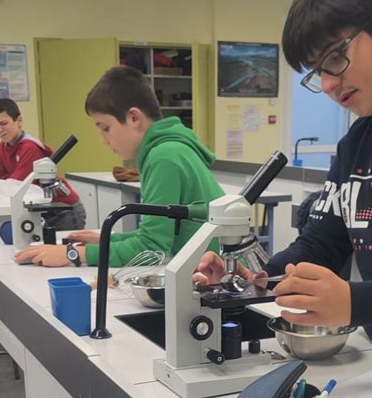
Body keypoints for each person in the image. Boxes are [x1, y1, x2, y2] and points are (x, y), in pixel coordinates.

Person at [195, 0, 372, 364]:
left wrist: (358, 302)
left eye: (335, 57)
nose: (329, 84)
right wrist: (253, 278)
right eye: (318, 72)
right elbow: (323, 245)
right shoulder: (359, 140)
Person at [15, 66, 224, 269]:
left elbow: (151, 248)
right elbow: (160, 234)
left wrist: (73, 254)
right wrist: (107, 239)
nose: (103, 140)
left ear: (134, 118)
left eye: (105, 128)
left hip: (219, 276)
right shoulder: (168, 150)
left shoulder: (164, 157)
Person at [0, 97, 86, 229]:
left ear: (19, 121)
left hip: (63, 210)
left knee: (64, 248)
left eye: (3, 123)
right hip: (42, 209)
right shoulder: (4, 146)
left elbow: (16, 186)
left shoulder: (29, 147)